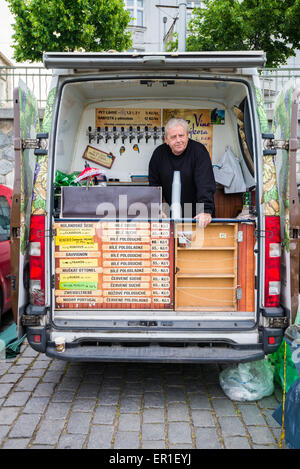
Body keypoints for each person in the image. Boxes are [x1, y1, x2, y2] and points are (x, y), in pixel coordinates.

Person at [148, 118, 216, 227]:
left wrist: (205, 211)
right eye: (173, 137)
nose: (178, 140)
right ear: (166, 139)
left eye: (181, 135)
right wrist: (158, 209)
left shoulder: (199, 152)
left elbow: (205, 184)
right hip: (169, 217)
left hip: (198, 217)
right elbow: (154, 186)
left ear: (187, 135)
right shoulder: (158, 154)